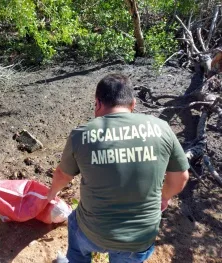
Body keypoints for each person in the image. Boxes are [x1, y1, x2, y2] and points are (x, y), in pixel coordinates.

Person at [48, 74, 189, 263]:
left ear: (97, 103)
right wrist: (164, 197)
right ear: (133, 104)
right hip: (138, 240)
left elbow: (62, 175)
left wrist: (51, 195)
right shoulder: (162, 128)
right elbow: (181, 177)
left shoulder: (82, 134)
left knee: (75, 220)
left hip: (92, 232)